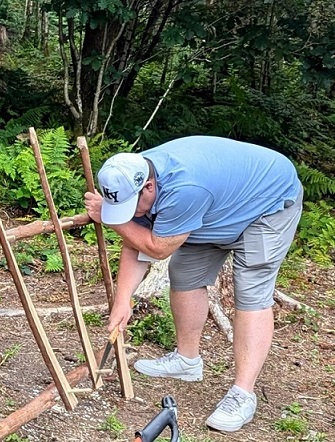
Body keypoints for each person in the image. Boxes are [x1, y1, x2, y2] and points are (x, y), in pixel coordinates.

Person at [84, 136, 302, 433]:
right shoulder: (131, 172)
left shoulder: (183, 190)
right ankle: (187, 361)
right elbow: (137, 245)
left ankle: (243, 394)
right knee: (185, 272)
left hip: (266, 206)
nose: (131, 214)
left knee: (250, 290)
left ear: (149, 187)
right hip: (217, 209)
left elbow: (157, 247)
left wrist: (113, 221)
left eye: (131, 207)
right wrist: (123, 300)